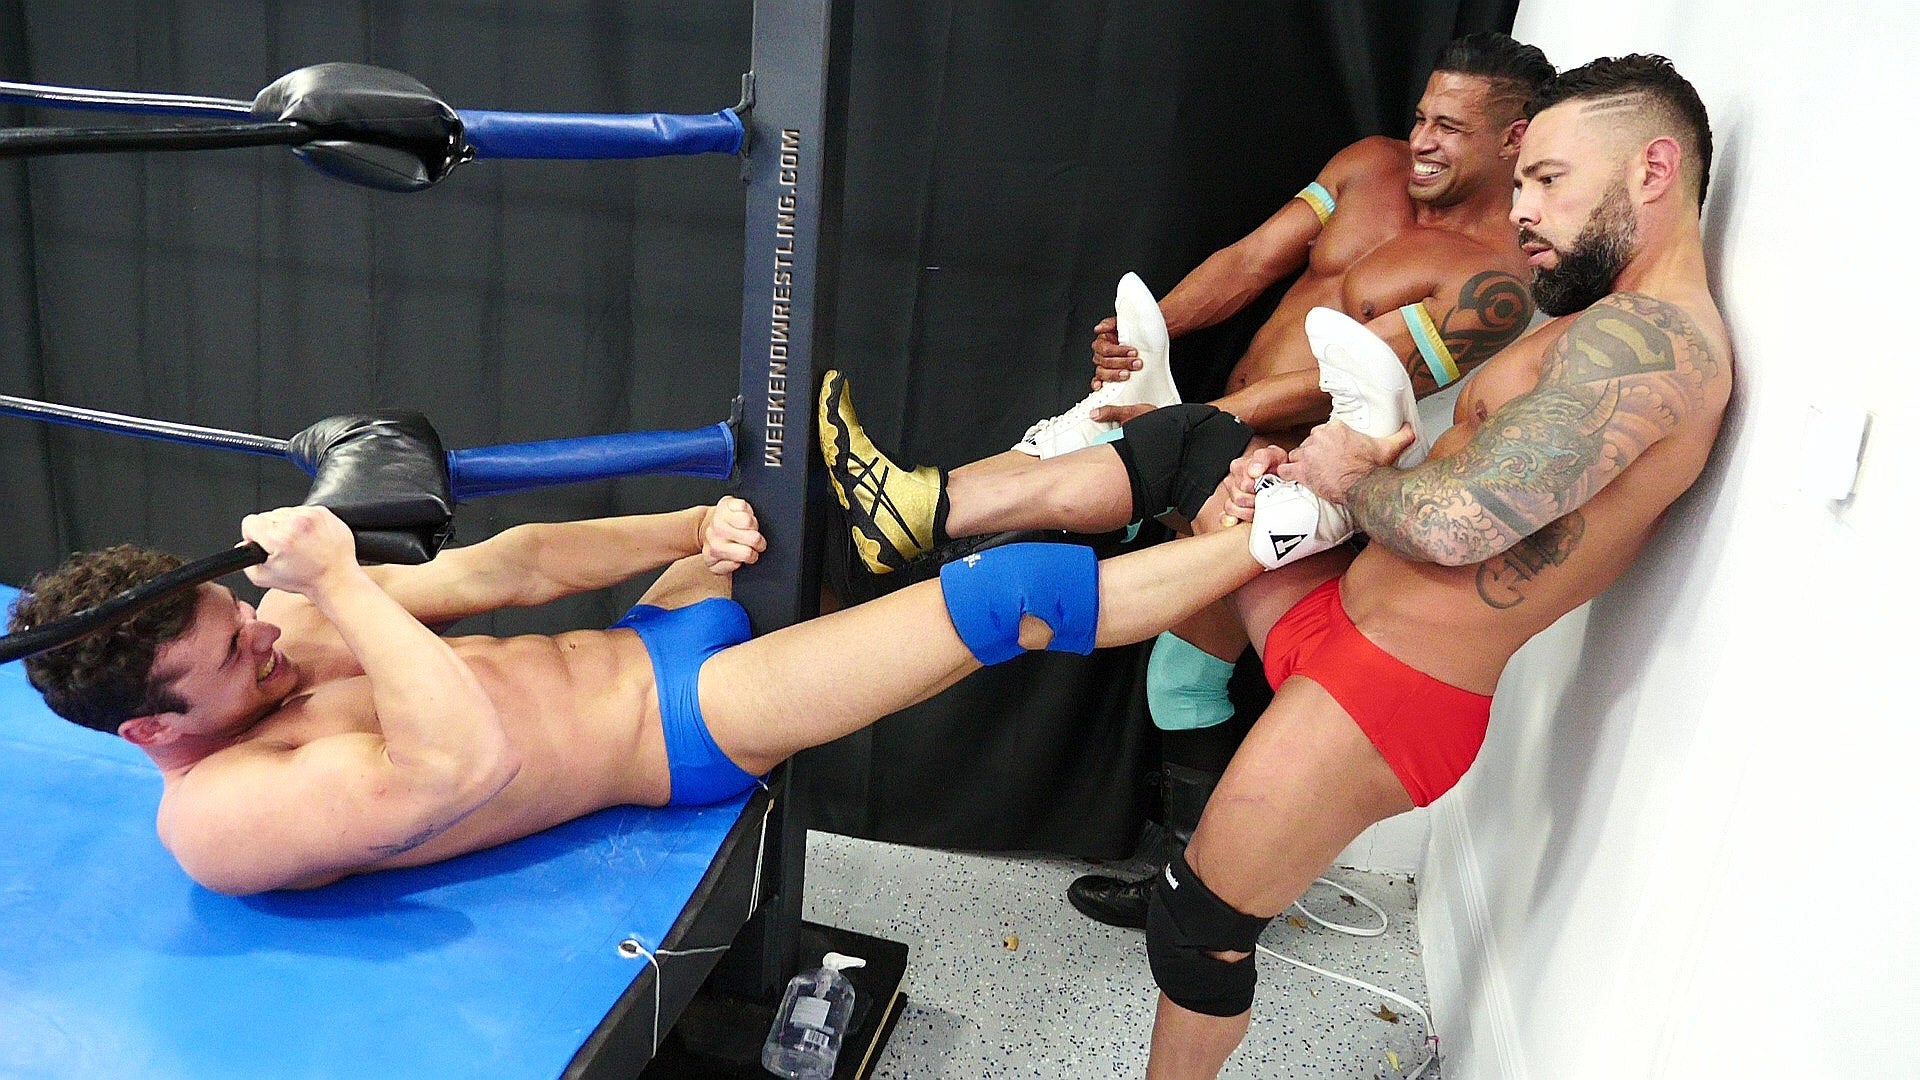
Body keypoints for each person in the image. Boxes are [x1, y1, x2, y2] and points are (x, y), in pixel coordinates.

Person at [821, 30, 1555, 930]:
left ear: (1514, 138)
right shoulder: (1370, 165)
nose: (1424, 141)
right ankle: (911, 524)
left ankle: (1192, 889)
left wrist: (1197, 421)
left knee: (1172, 653)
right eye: (1422, 116)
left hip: (1295, 477)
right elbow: (1250, 261)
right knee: (1154, 615)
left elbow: (1346, 380)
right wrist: (1149, 336)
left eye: (1451, 128)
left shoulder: (1498, 285)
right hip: (1221, 431)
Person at [1140, 54, 1730, 1078]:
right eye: (1523, 180)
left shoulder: (1656, 345)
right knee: (1198, 463)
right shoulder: (1602, 323)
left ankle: (951, 551)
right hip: (1345, 617)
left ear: (1653, 170)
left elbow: (1459, 526)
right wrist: (1319, 475)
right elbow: (1466, 485)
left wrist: (1349, 477)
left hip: (1388, 690)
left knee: (1199, 928)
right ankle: (958, 549)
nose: (1524, 208)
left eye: (1548, 179)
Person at [6, 493, 1277, 897]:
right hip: (684, 727)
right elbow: (462, 767)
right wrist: (341, 580)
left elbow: (505, 569)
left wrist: (686, 528)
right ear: (153, 727)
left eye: (240, 616)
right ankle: (1284, 530)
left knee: (814, 500)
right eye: (234, 656)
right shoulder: (217, 819)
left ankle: (1209, 493)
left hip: (650, 630)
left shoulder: (281, 631)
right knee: (1004, 603)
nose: (265, 637)